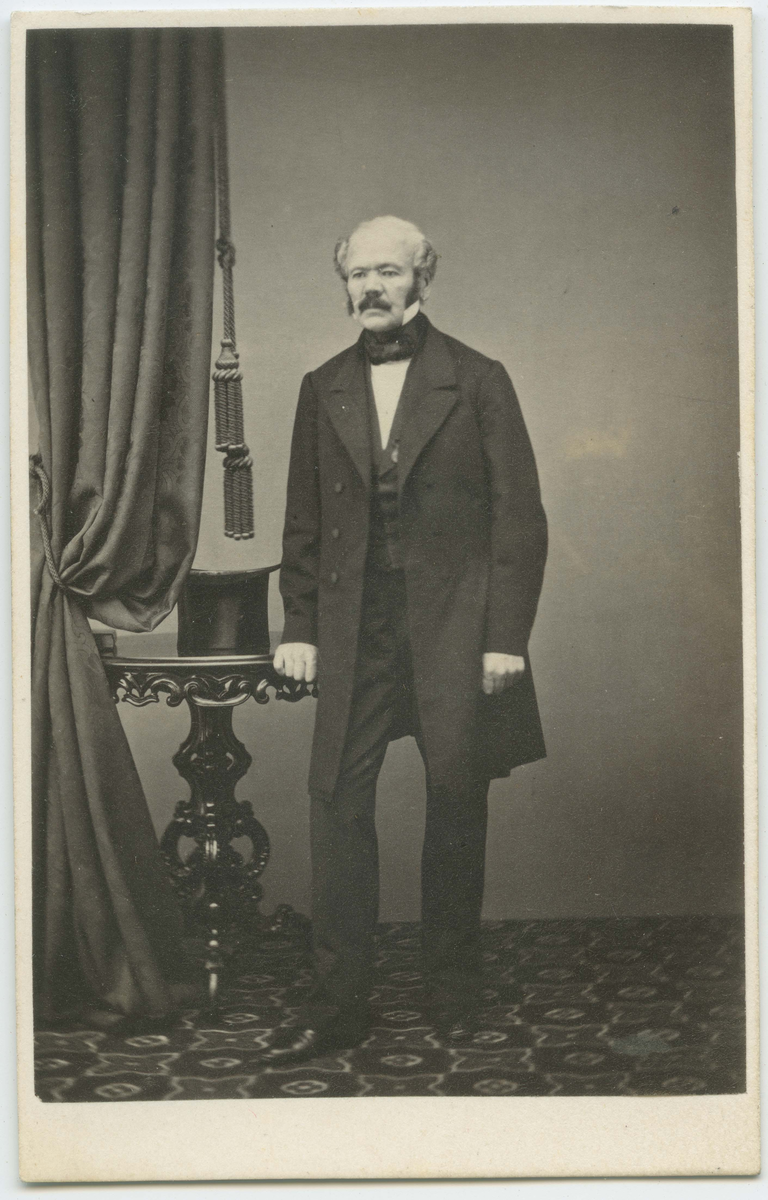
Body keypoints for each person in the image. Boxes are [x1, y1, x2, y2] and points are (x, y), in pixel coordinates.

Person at [263, 215, 547, 1063]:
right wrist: (301, 625)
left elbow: (519, 519)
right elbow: (302, 520)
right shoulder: (323, 385)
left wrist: (505, 637)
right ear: (345, 285)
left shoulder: (478, 379)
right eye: (358, 274)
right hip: (355, 629)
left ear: (424, 278)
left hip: (456, 627)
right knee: (337, 805)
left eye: (388, 272)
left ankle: (453, 991)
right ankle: (338, 1005)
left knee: (455, 802)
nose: (371, 288)